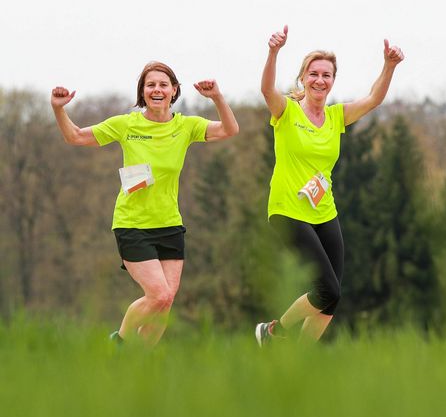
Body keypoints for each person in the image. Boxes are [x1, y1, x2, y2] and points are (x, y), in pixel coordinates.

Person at [50, 61, 239, 346]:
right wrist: (58, 108)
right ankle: (120, 344)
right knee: (159, 295)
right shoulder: (127, 124)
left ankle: (140, 365)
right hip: (133, 224)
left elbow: (229, 129)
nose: (157, 90)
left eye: (163, 84)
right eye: (150, 85)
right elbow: (75, 136)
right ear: (142, 92)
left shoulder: (186, 126)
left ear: (174, 90)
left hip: (170, 224)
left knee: (166, 303)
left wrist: (217, 98)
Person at [255, 26, 404, 345]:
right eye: (314, 74)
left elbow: (374, 98)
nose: (320, 80)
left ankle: (298, 358)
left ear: (332, 81)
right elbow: (267, 90)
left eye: (326, 75)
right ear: (303, 79)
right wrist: (273, 52)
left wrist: (389, 66)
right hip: (287, 209)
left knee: (331, 298)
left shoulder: (337, 117)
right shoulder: (287, 112)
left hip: (324, 211)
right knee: (327, 289)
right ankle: (273, 331)